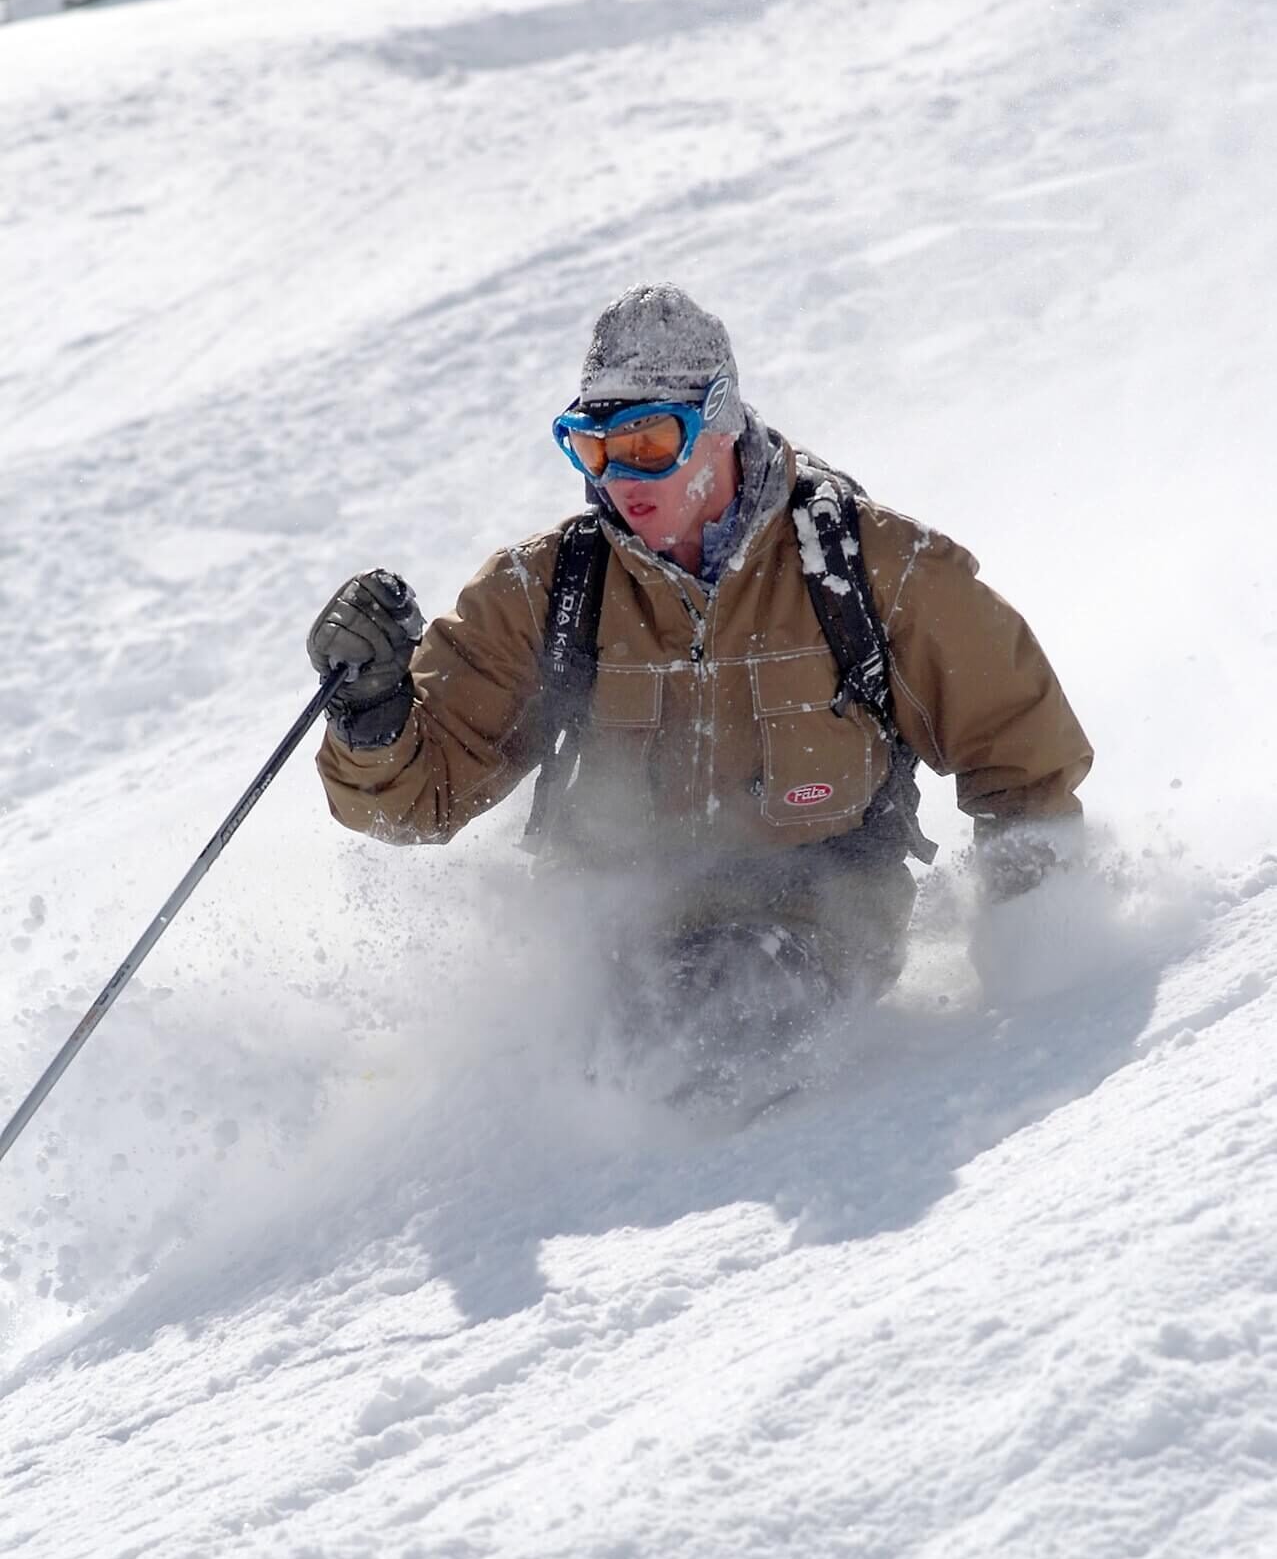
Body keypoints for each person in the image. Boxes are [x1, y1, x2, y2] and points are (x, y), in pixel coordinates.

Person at [307, 284, 1092, 1073]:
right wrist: (369, 709)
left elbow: (1020, 751)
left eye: (648, 443)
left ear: (719, 422)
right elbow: (412, 809)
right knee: (503, 1065)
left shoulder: (865, 566)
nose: (619, 476)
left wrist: (1034, 940)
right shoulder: (548, 592)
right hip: (604, 945)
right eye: (592, 448)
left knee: (713, 1024)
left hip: (815, 921)